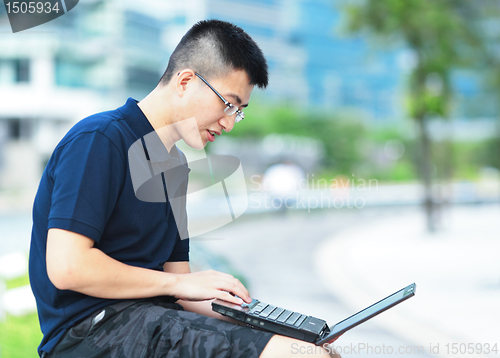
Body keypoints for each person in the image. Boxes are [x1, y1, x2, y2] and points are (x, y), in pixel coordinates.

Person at [29, 20, 339, 358]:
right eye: (228, 104)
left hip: (153, 321)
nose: (230, 122)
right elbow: (67, 267)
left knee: (306, 347)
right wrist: (178, 285)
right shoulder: (99, 140)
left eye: (239, 112)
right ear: (186, 81)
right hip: (92, 333)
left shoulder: (174, 167)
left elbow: (181, 286)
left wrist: (265, 322)